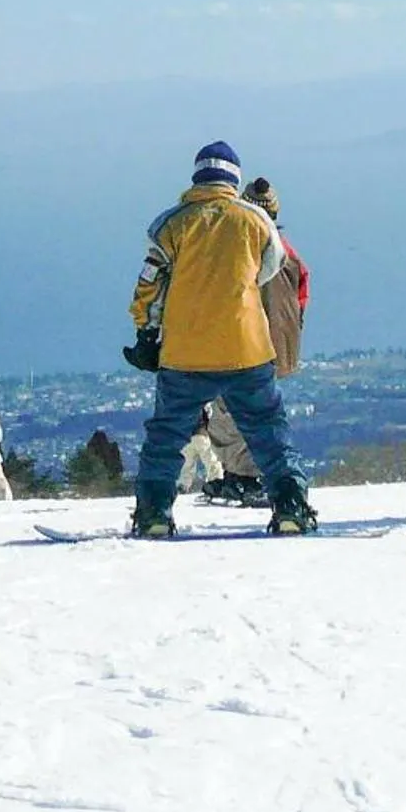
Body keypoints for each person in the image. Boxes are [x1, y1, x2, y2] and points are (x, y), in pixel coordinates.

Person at [124, 142, 318, 537]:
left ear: (197, 176)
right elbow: (269, 269)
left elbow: (149, 285)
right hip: (247, 349)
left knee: (166, 436)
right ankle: (291, 508)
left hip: (185, 353)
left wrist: (146, 333)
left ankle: (154, 515)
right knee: (268, 432)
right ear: (234, 178)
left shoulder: (170, 224)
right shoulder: (256, 221)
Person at [202, 176, 311, 507]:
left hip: (250, 343)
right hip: (280, 344)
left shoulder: (248, 248)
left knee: (229, 407)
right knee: (253, 410)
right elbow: (301, 294)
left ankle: (246, 479)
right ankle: (252, 476)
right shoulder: (288, 250)